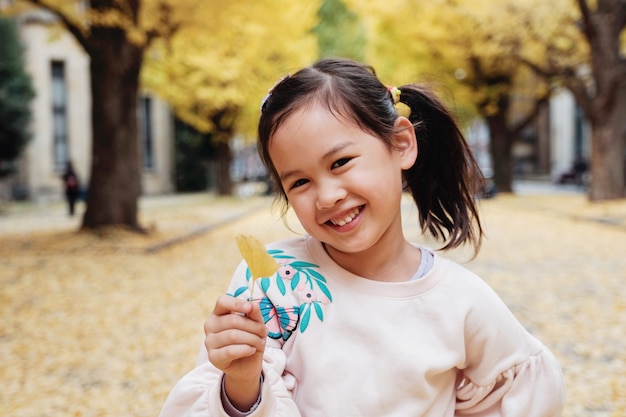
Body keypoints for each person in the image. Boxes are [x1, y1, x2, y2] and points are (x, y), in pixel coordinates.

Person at [158, 58, 566, 417]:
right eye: (299, 182)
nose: (328, 195)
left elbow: (518, 396)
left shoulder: (460, 302)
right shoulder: (273, 283)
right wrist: (242, 383)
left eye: (341, 162)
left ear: (402, 144)